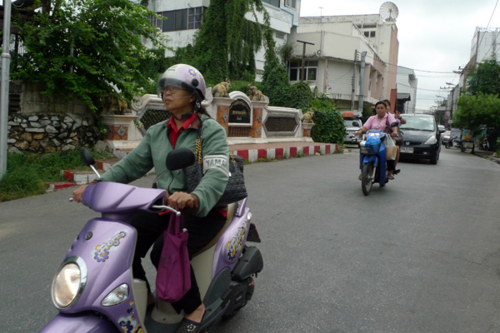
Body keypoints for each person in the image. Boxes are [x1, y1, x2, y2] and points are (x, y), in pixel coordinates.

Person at [72, 64, 229, 333]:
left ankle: (194, 307)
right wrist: (97, 184)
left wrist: (193, 197)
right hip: (164, 204)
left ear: (192, 95)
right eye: (164, 88)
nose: (166, 93)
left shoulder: (210, 131)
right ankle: (148, 297)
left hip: (202, 210)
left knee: (163, 251)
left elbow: (217, 174)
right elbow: (130, 166)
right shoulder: (157, 132)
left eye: (173, 88)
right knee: (121, 242)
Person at [355, 101, 399, 180]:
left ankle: (390, 172)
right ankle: (362, 171)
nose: (380, 110)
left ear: (386, 109)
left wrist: (395, 132)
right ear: (375, 109)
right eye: (378, 108)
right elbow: (365, 127)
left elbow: (394, 125)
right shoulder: (372, 118)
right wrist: (360, 131)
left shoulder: (389, 117)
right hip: (372, 139)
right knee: (363, 151)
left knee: (389, 153)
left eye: (382, 108)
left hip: (384, 139)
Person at [383, 100, 406, 172]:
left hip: (390, 139)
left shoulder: (391, 117)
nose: (385, 107)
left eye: (387, 105)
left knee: (396, 148)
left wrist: (398, 118)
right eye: (383, 106)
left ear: (389, 107)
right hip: (377, 138)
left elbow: (403, 122)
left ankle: (391, 170)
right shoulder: (375, 117)